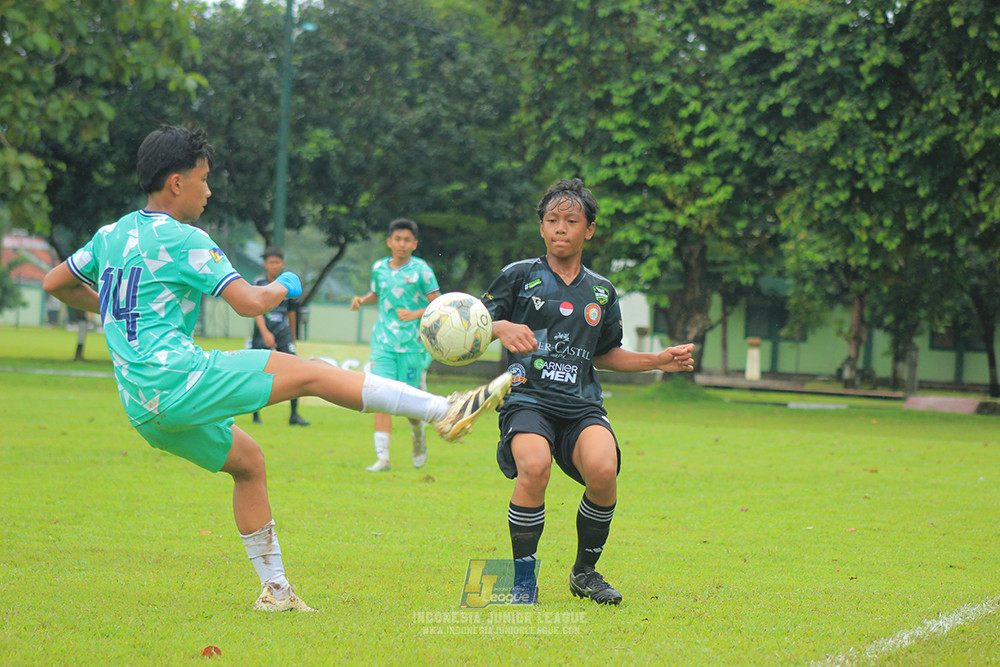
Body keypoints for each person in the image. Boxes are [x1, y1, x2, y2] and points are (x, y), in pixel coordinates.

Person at [42, 124, 512, 613]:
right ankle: (445, 408)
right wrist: (284, 286)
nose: (209, 189)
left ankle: (277, 593)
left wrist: (120, 312)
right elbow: (249, 303)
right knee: (310, 373)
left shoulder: (110, 234)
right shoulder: (185, 239)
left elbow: (57, 281)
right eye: (203, 179)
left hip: (142, 406)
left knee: (249, 464)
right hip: (180, 380)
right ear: (176, 183)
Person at [481, 178, 695, 606]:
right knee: (535, 466)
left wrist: (657, 360)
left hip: (581, 405)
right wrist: (499, 326)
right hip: (527, 400)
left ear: (589, 230)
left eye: (571, 220)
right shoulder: (518, 276)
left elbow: (606, 353)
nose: (561, 228)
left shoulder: (601, 291)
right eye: (552, 220)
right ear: (541, 228)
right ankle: (523, 582)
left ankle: (585, 572)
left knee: (603, 470)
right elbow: (472, 323)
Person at [350, 218, 440, 472]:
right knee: (379, 396)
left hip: (413, 345)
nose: (402, 244)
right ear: (389, 242)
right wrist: (362, 300)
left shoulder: (422, 270)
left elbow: (439, 304)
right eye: (397, 239)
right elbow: (376, 295)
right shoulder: (379, 268)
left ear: (414, 244)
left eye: (407, 240)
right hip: (383, 343)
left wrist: (416, 313)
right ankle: (383, 458)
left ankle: (418, 437)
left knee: (410, 401)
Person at [251, 246, 309, 426]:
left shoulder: (288, 283)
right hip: (263, 330)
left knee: (295, 369)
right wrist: (265, 332)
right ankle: (255, 415)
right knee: (257, 372)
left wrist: (292, 335)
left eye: (277, 262)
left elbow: (292, 312)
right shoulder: (259, 282)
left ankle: (294, 414)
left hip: (283, 331)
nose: (274, 266)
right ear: (266, 264)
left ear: (282, 263)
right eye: (271, 262)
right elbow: (255, 309)